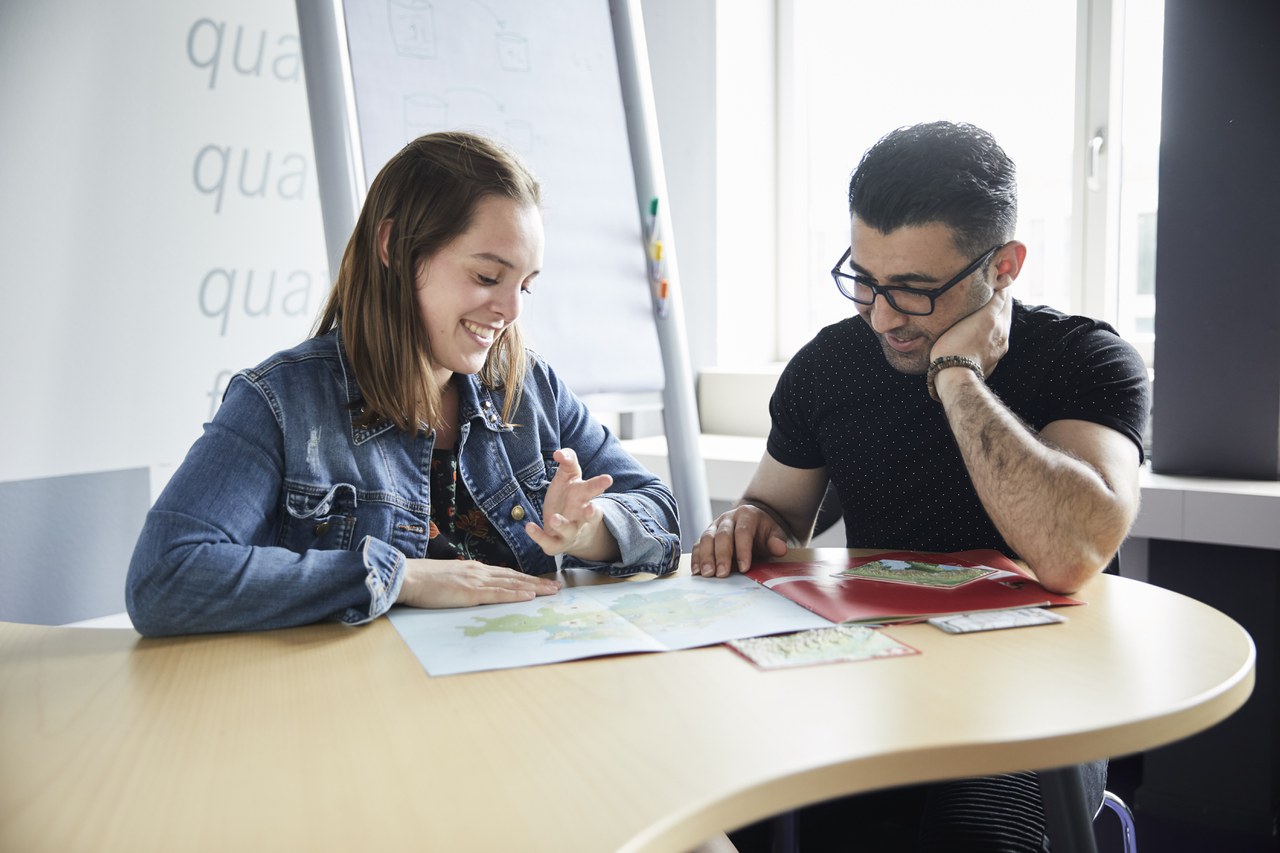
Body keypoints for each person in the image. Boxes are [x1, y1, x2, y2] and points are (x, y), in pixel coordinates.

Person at [694, 122, 1150, 851]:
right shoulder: (831, 364)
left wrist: (957, 378)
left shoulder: (1085, 360)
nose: (880, 315)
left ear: (1003, 268)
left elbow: (1069, 553)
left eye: (911, 290)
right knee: (719, 808)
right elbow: (775, 507)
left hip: (1041, 692)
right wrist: (745, 521)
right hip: (871, 674)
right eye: (863, 281)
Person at [127, 131, 680, 637]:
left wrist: (587, 532)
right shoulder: (280, 402)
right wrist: (402, 576)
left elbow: (660, 512)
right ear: (395, 248)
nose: (510, 310)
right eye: (487, 276)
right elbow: (166, 575)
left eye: (524, 286)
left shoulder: (531, 387)